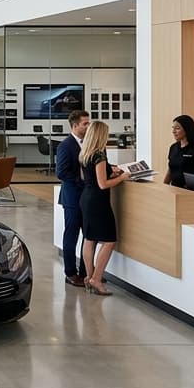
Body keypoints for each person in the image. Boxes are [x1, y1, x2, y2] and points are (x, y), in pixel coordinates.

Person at [79, 120, 129, 296]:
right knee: (109, 240)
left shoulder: (85, 153)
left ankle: (89, 276)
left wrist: (109, 171)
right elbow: (103, 184)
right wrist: (122, 178)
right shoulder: (99, 155)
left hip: (86, 198)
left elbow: (87, 178)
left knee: (89, 238)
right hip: (98, 201)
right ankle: (97, 279)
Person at [54, 110, 91, 287]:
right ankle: (70, 273)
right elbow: (61, 172)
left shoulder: (89, 143)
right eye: (85, 123)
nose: (88, 126)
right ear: (75, 125)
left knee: (88, 235)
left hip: (87, 197)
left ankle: (85, 273)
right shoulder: (65, 146)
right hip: (73, 198)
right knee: (72, 234)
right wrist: (82, 180)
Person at [162, 114, 194, 188]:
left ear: (187, 129)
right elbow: (170, 171)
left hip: (190, 192)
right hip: (174, 190)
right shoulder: (173, 147)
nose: (173, 131)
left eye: (177, 128)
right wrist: (163, 187)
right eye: (173, 128)